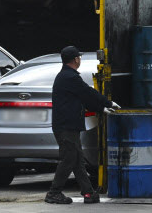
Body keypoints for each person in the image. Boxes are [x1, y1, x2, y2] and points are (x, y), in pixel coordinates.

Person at [46, 45, 119, 205]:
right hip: (66, 127)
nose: (80, 59)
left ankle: (88, 193)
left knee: (77, 160)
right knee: (69, 159)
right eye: (79, 57)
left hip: (69, 127)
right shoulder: (70, 77)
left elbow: (82, 99)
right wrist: (108, 102)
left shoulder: (66, 77)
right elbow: (87, 92)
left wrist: (101, 108)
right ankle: (54, 193)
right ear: (75, 59)